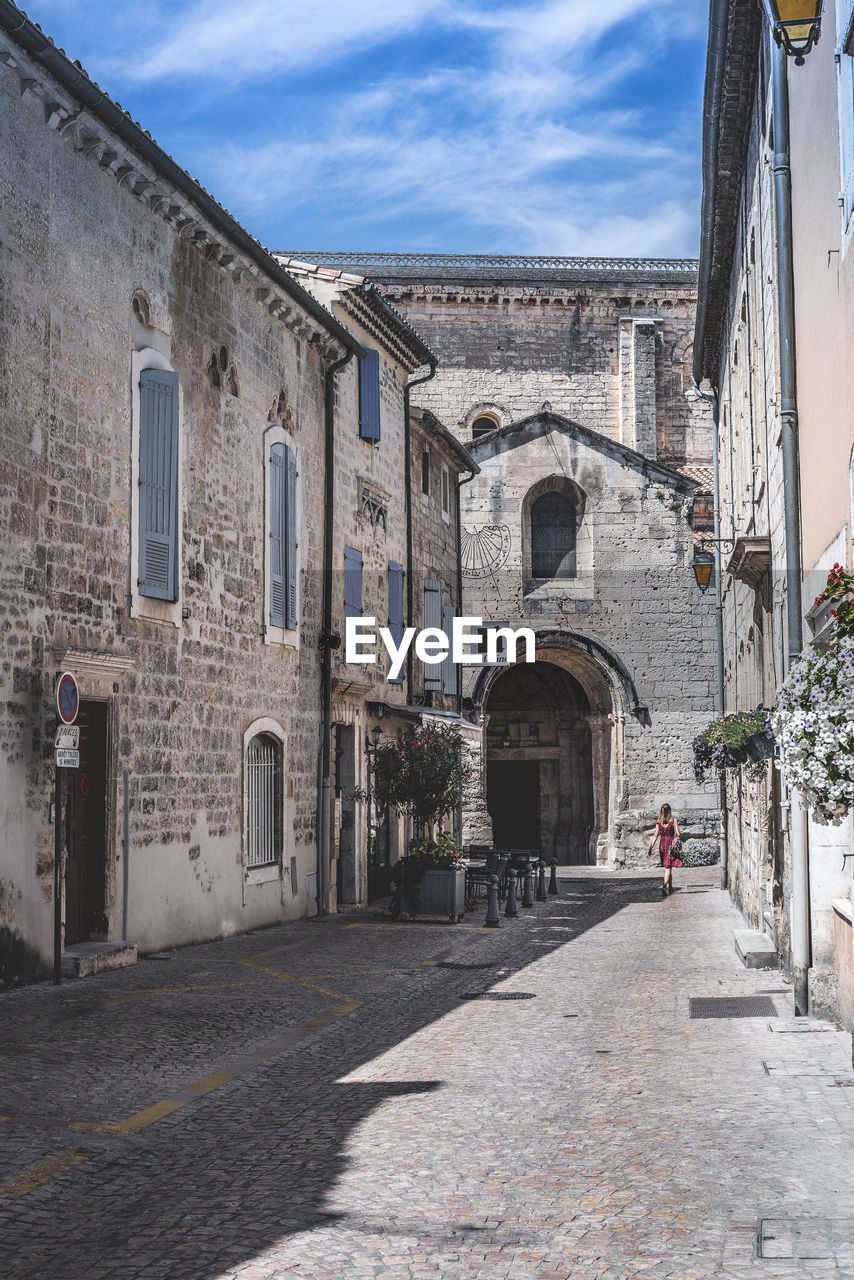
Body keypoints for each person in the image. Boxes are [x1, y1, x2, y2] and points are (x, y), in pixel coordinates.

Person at [648, 803, 682, 896]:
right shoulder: (673, 820)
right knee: (668, 868)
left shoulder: (659, 822)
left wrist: (651, 846)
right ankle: (664, 886)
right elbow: (678, 834)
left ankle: (670, 888)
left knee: (669, 866)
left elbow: (655, 835)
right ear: (670, 810)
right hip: (670, 846)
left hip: (662, 845)